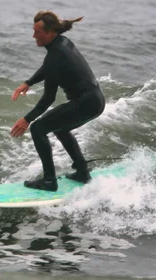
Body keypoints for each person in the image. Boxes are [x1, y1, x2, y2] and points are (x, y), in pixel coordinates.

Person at [10, 10, 105, 192]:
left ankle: (49, 181)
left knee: (38, 128)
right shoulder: (62, 43)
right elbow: (48, 66)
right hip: (95, 101)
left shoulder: (56, 54)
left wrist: (27, 119)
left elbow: (48, 98)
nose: (34, 36)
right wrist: (28, 82)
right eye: (33, 31)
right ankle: (82, 172)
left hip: (86, 102)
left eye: (38, 32)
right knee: (60, 128)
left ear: (51, 32)